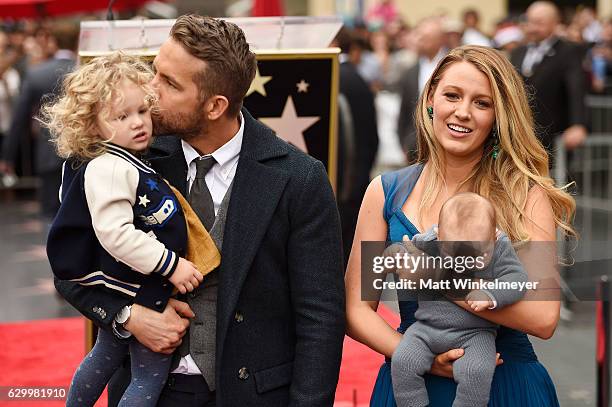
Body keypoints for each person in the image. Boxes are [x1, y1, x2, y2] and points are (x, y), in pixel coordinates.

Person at [54, 15, 345, 406]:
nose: (150, 91)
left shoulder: (299, 177)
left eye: (169, 83)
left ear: (214, 105)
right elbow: (70, 268)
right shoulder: (117, 158)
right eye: (155, 71)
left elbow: (321, 317)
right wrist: (128, 317)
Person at [345, 45, 576, 406]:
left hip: (503, 383)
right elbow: (357, 309)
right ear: (431, 99)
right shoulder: (384, 193)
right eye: (452, 95)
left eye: (482, 103)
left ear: (498, 116)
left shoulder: (525, 196)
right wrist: (419, 357)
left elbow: (543, 317)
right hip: (412, 379)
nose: (463, 112)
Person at [44, 52, 221, 406]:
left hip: (140, 286)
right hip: (140, 287)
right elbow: (116, 234)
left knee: (106, 359)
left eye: (142, 110)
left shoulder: (128, 160)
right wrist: (172, 265)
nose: (138, 123)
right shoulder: (110, 167)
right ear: (92, 126)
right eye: (121, 117)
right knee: (144, 379)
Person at [388, 193, 528, 407]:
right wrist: (395, 254)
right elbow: (407, 252)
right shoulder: (428, 242)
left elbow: (517, 279)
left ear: (494, 237)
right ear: (439, 236)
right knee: (403, 361)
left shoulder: (501, 248)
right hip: (426, 328)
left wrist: (492, 295)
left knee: (477, 371)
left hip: (475, 333)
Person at [1, 21, 78, 219]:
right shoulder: (84, 69)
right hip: (82, 150)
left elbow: (19, 118)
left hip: (48, 152)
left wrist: (7, 157)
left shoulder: (36, 74)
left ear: (53, 41)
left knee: (51, 215)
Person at [510, 1, 588, 156]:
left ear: (554, 23)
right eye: (529, 21)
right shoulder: (518, 52)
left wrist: (578, 124)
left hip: (551, 135)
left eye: (539, 23)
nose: (532, 27)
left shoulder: (568, 51)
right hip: (518, 133)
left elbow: (576, 87)